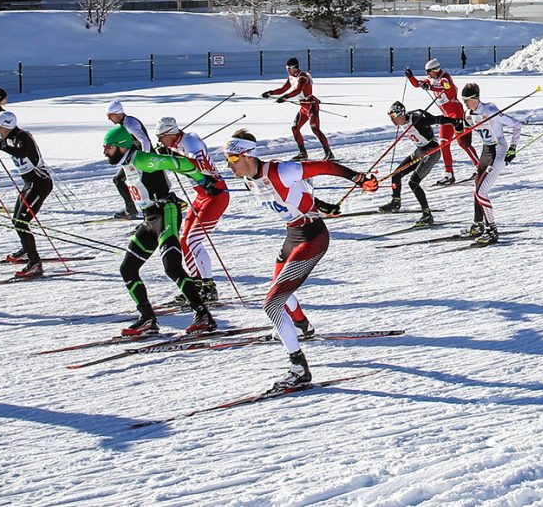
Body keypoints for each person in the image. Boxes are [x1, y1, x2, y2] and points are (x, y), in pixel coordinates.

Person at [222, 132, 361, 393]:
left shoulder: (282, 170)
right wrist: (321, 205)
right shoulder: (250, 180)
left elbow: (325, 166)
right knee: (279, 290)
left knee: (272, 304)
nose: (228, 165)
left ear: (247, 155)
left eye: (231, 159)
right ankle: (302, 326)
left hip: (312, 238)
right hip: (293, 235)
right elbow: (292, 197)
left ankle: (299, 369)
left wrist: (358, 178)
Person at [101, 126, 215, 337]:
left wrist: (203, 181)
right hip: (149, 218)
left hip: (165, 212)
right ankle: (147, 319)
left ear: (120, 146)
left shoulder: (143, 160)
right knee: (127, 269)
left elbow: (180, 164)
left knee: (172, 266)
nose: (105, 152)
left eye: (108, 147)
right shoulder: (127, 162)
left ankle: (203, 315)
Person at [156, 115, 229, 300]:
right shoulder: (176, 143)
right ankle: (195, 285)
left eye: (161, 137)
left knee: (193, 240)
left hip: (215, 194)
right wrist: (169, 154)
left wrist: (174, 157)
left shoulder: (190, 142)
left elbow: (200, 166)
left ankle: (209, 287)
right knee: (184, 241)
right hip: (201, 196)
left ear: (171, 133)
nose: (160, 141)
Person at [458, 83, 524, 245]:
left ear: (475, 98)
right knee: (477, 188)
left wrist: (512, 148)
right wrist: (459, 130)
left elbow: (517, 125)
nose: (464, 103)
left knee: (481, 192)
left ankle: (492, 230)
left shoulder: (490, 110)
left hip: (499, 151)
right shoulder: (468, 114)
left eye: (467, 100)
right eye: (463, 100)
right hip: (486, 151)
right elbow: (465, 136)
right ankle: (478, 224)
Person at [0, 112, 54, 277]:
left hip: (40, 184)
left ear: (7, 125)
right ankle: (27, 250)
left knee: (22, 222)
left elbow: (22, 152)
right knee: (16, 220)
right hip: (29, 184)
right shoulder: (9, 138)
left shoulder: (23, 137)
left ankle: (35, 263)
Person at [377, 101, 448, 227]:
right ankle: (395, 202)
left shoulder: (416, 120)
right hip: (420, 151)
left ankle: (427, 214)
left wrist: (457, 123)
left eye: (393, 117)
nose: (392, 120)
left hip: (432, 151)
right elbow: (418, 110)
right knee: (396, 174)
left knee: (413, 183)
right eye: (390, 117)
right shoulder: (405, 120)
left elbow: (437, 119)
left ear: (400, 114)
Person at [404, 60, 475, 184]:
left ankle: (479, 166)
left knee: (462, 143)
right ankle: (449, 174)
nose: (427, 74)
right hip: (446, 116)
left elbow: (448, 88)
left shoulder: (444, 77)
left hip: (456, 114)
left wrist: (430, 87)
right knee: (443, 144)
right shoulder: (431, 79)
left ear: (435, 70)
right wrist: (411, 77)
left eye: (429, 72)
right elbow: (418, 84)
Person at [263, 57, 333, 160]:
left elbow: (298, 91)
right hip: (304, 107)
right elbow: (283, 89)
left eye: (289, 68)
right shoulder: (291, 77)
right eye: (287, 68)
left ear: (295, 67)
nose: (287, 70)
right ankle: (302, 153)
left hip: (311, 106)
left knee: (315, 129)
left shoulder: (302, 77)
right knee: (295, 128)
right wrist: (270, 93)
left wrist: (285, 97)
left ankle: (329, 153)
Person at [104, 101, 152, 218]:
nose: (109, 119)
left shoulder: (130, 124)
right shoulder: (124, 124)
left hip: (142, 159)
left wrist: (145, 159)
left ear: (118, 113)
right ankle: (131, 210)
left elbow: (145, 141)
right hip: (134, 158)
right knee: (118, 180)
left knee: (144, 186)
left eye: (110, 115)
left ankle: (150, 214)